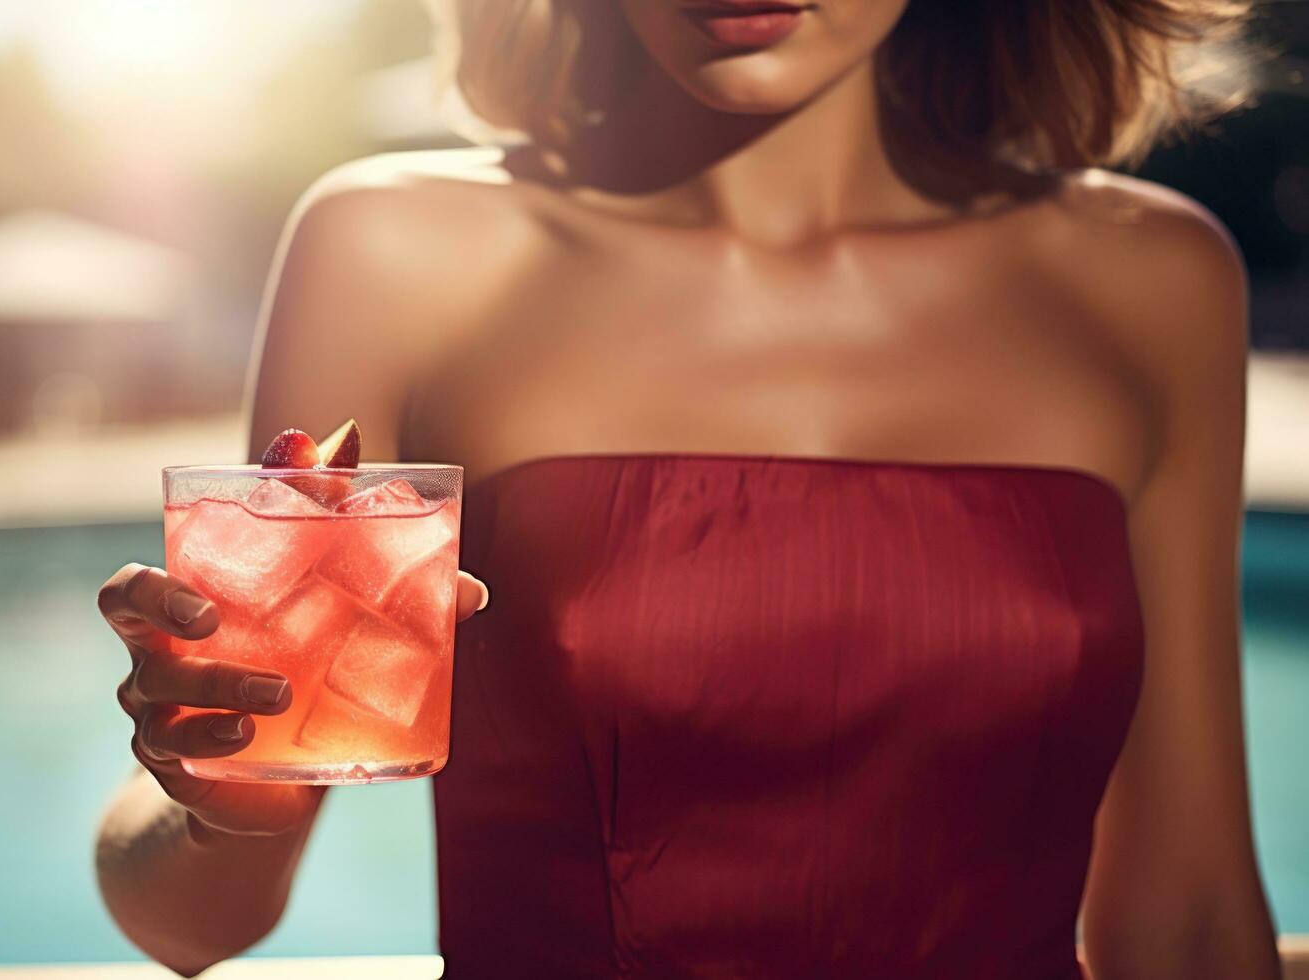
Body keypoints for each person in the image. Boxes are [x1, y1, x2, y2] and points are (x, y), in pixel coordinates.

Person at [94, 1, 1282, 976]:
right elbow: (199, 921)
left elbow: (1188, 917)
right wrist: (223, 788)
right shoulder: (392, 252)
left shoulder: (1152, 280)